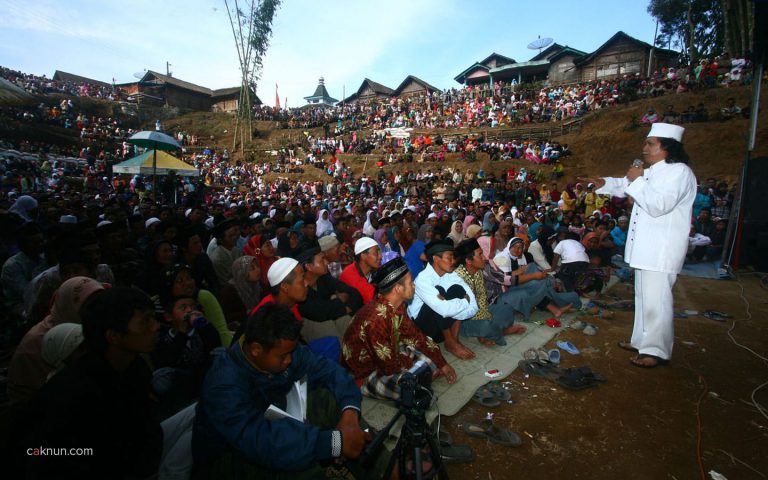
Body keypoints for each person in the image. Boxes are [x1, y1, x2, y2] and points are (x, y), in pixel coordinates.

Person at [25, 287, 195, 480]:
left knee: (203, 410)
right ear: (113, 336)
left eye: (153, 319)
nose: (155, 326)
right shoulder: (74, 392)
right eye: (145, 321)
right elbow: (40, 453)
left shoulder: (134, 366)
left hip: (139, 453)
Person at [193, 303, 370, 478]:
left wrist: (350, 418)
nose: (289, 360)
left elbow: (331, 371)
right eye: (283, 356)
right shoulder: (223, 384)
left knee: (330, 400)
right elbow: (261, 441)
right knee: (297, 466)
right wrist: (334, 443)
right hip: (231, 456)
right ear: (256, 349)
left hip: (278, 421)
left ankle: (379, 461)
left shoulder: (283, 349)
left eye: (290, 353)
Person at [583, 122, 697, 368]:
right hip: (647, 249)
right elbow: (627, 185)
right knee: (644, 298)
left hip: (661, 250)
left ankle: (656, 351)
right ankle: (641, 341)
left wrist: (636, 181)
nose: (644, 148)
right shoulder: (655, 171)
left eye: (650, 143)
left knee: (658, 301)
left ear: (666, 147)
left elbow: (658, 204)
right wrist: (604, 182)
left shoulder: (679, 172)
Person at [342, 257, 457, 401]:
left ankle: (421, 375)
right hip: (366, 372)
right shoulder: (375, 320)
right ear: (398, 288)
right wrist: (413, 366)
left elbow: (415, 336)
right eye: (410, 283)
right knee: (413, 392)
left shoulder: (396, 305)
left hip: (389, 352)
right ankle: (416, 379)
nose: (414, 285)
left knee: (429, 359)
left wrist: (442, 363)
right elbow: (389, 367)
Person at [408, 239, 478, 360]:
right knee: (439, 290)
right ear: (436, 259)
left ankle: (453, 340)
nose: (453, 261)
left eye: (453, 257)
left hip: (440, 328)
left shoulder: (452, 274)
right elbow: (445, 310)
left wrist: (453, 305)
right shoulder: (423, 279)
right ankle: (450, 341)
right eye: (449, 258)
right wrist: (463, 302)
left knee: (457, 289)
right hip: (423, 330)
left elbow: (473, 305)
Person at [297, 247, 362, 342]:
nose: (327, 262)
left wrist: (344, 308)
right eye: (322, 260)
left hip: (331, 316)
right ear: (309, 267)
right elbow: (317, 313)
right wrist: (340, 301)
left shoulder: (324, 277)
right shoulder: (299, 289)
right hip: (314, 325)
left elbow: (354, 293)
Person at [339, 237, 381, 305]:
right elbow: (375, 300)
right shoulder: (350, 275)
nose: (380, 256)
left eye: (380, 251)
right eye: (376, 253)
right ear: (363, 256)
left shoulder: (372, 269)